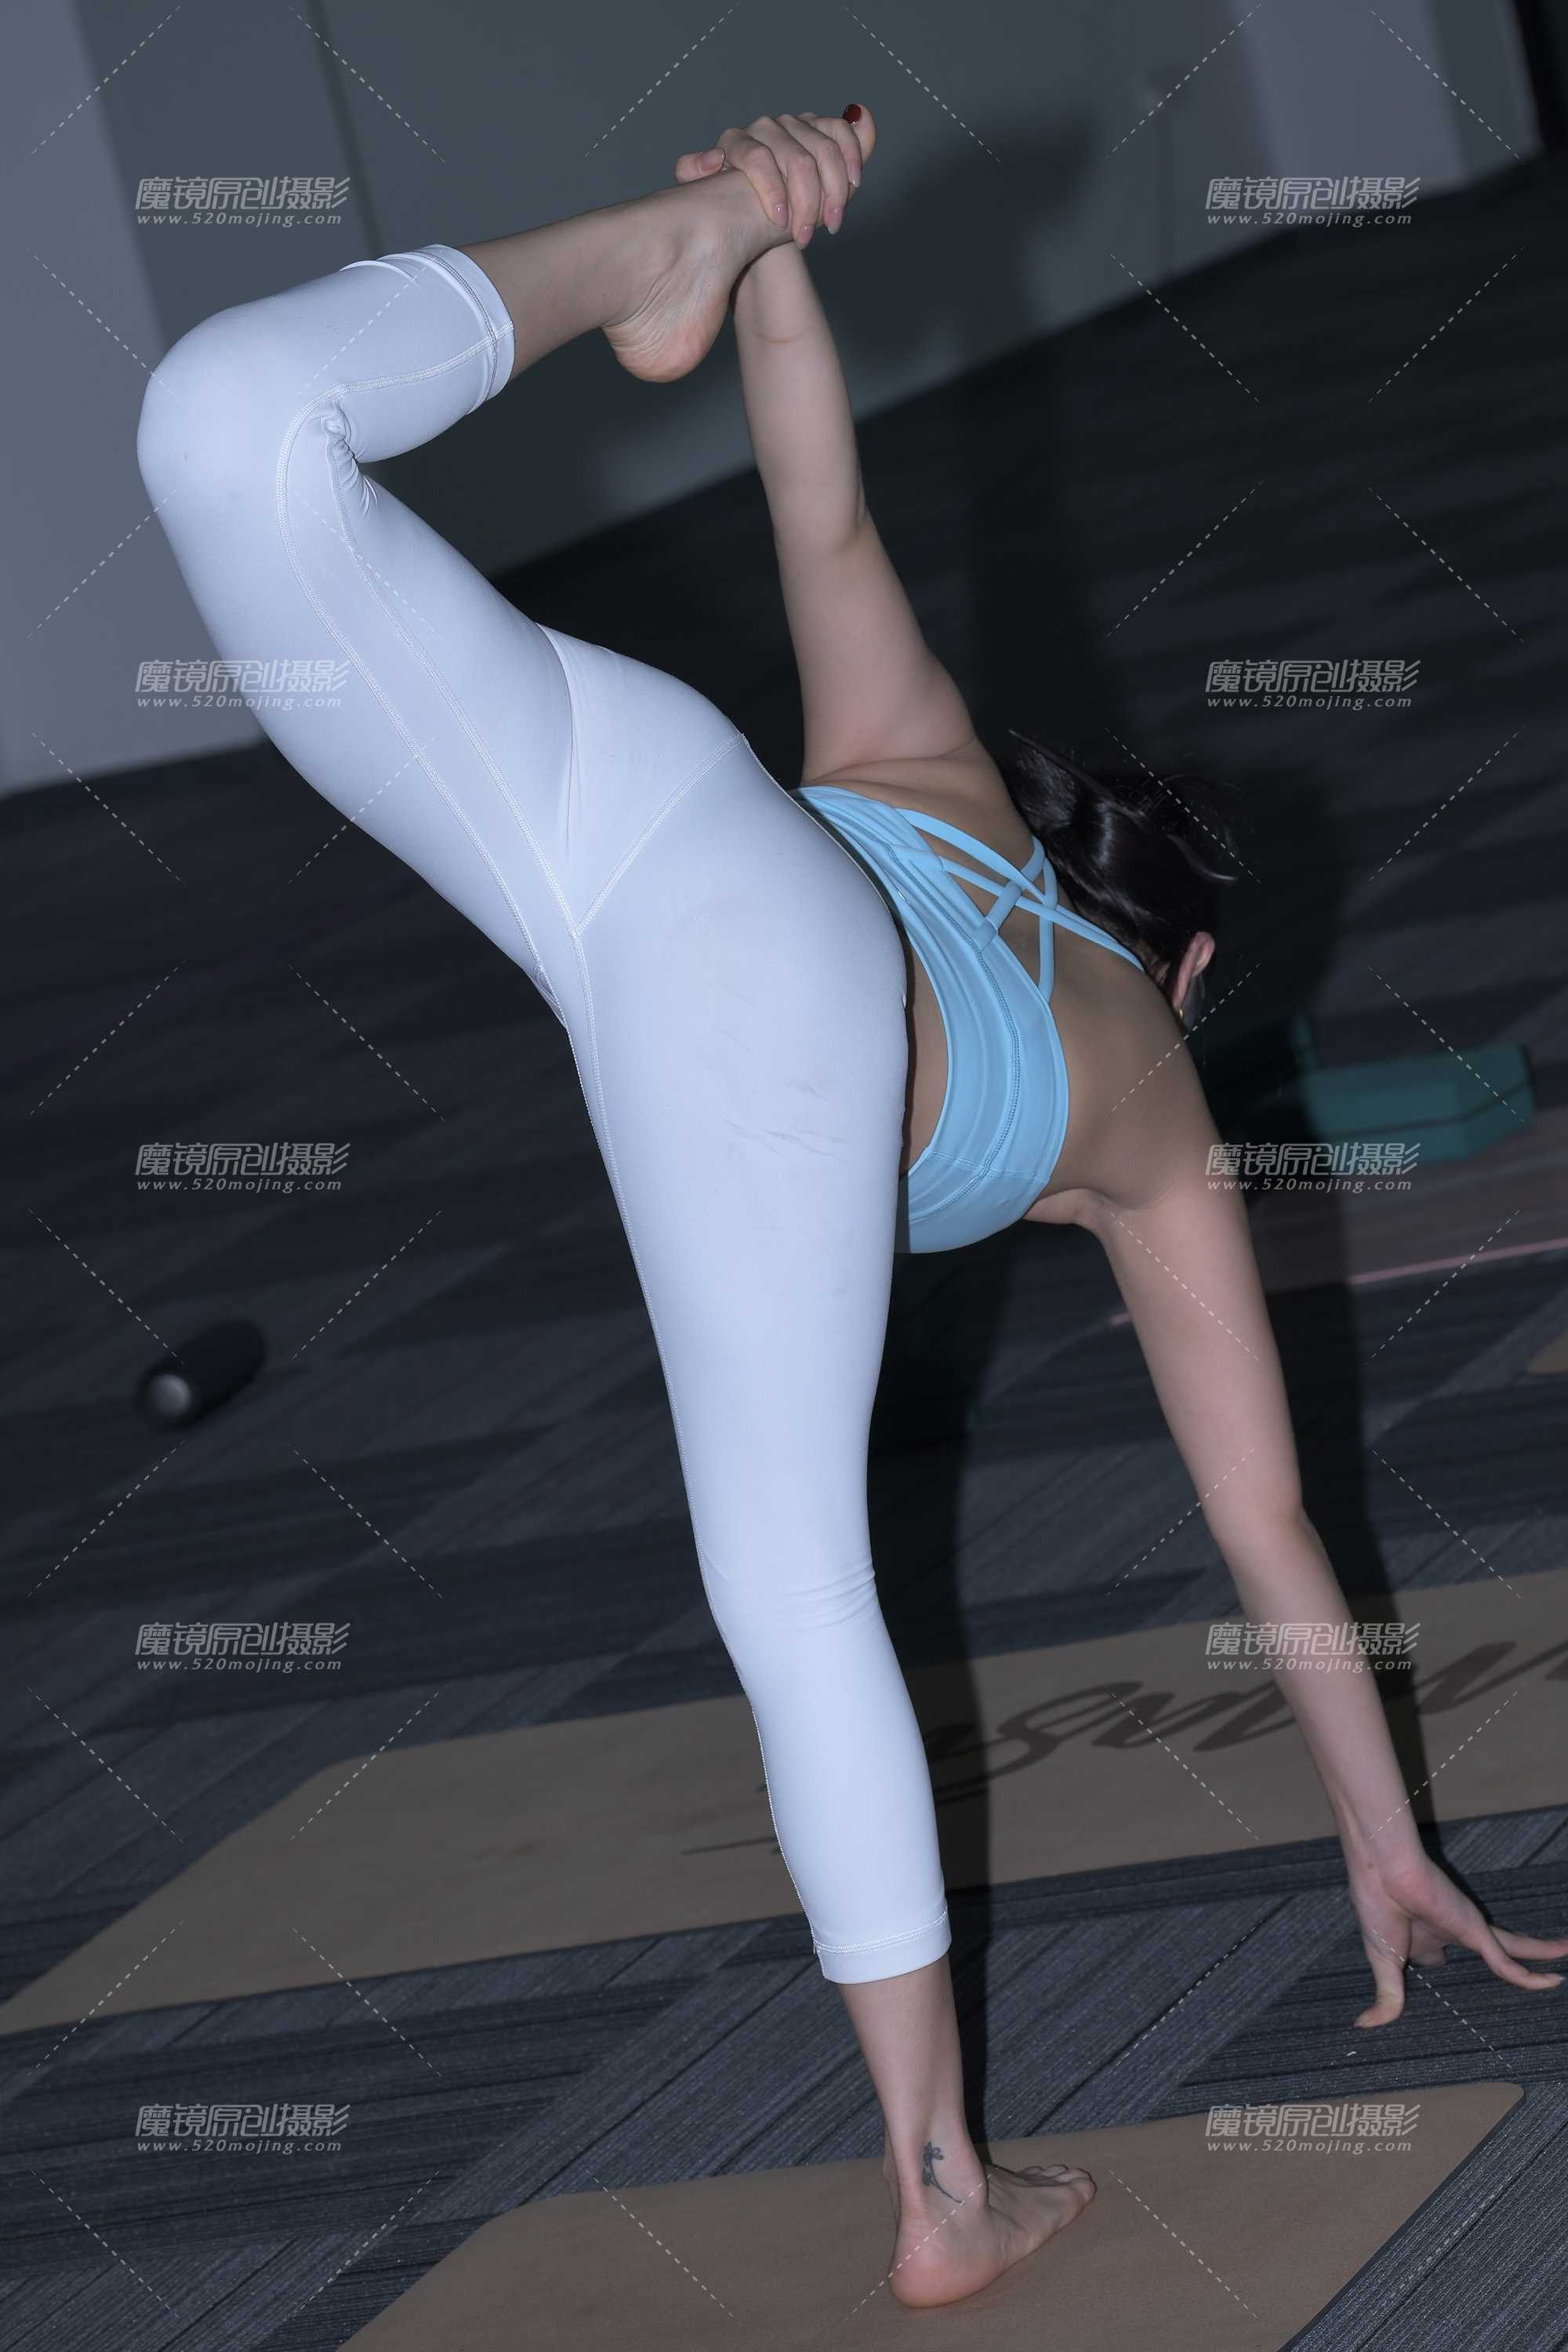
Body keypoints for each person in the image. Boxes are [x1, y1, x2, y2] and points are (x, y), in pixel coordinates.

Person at [136, 101, 1566, 2311]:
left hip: (647, 815)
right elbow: (1272, 1532)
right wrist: (1391, 1847)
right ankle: (940, 2189)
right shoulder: (1156, 1119)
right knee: (795, 1581)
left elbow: (821, 491)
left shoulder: (935, 768)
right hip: (762, 986)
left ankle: (676, 235)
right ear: (1182, 960)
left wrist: (780, 233)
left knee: (225, 427)